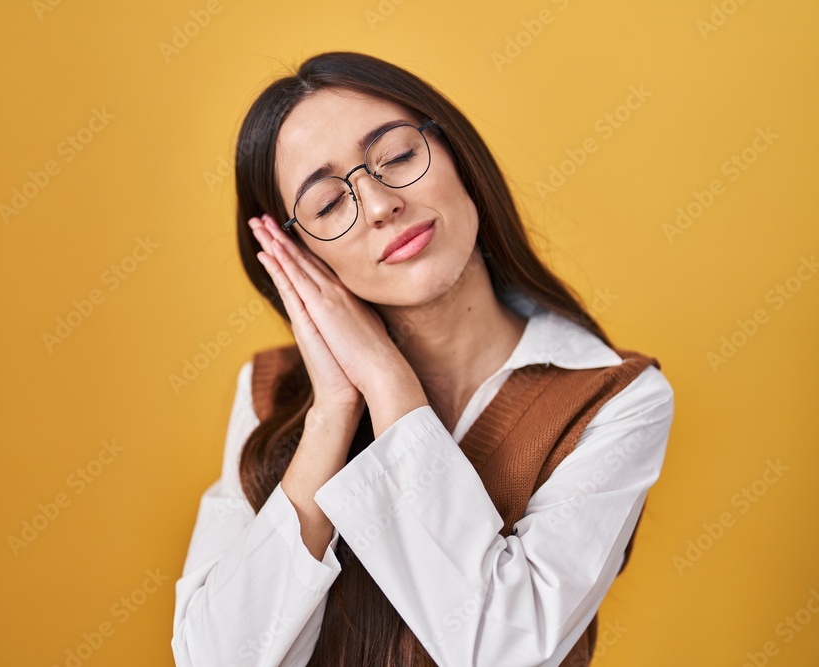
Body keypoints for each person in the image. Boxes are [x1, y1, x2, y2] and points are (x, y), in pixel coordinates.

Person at [172, 51, 675, 666]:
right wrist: (333, 412)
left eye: (399, 158)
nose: (381, 204)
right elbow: (214, 658)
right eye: (329, 204)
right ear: (297, 256)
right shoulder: (270, 390)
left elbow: (500, 651)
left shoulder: (613, 399)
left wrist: (389, 384)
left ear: (459, 157)